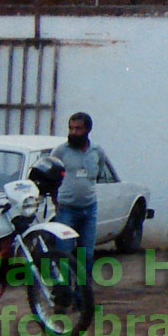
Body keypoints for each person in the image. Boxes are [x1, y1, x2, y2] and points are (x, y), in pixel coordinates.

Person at [51, 112, 107, 275]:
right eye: (71, 128)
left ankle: (83, 293)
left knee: (87, 254)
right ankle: (63, 291)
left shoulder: (97, 151)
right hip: (66, 209)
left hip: (89, 209)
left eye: (78, 129)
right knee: (64, 252)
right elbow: (51, 173)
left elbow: (98, 175)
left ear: (88, 130)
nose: (73, 132)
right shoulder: (60, 151)